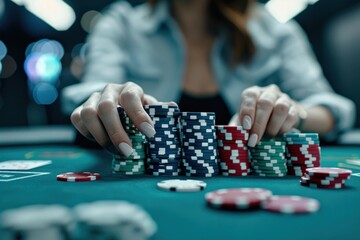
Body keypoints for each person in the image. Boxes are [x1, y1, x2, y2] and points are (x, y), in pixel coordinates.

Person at [62, 0, 355, 157]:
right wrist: (104, 99)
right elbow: (87, 93)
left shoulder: (276, 32)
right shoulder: (120, 23)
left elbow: (332, 108)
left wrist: (292, 111)